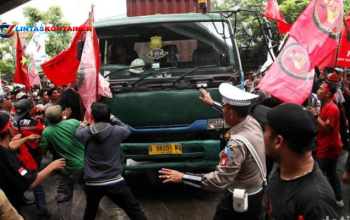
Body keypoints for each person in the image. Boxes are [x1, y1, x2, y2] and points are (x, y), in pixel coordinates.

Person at [159, 83, 266, 220]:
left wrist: (183, 177)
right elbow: (231, 112)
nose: (223, 111)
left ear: (232, 113)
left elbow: (219, 181)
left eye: (225, 107)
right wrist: (212, 103)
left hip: (240, 200)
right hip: (257, 193)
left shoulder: (236, 145)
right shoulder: (251, 122)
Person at [253, 103, 339, 219]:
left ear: (278, 141)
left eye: (266, 131)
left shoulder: (317, 204)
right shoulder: (284, 170)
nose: (262, 136)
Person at [76, 103, 147, 220]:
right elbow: (126, 128)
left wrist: (83, 125)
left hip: (93, 183)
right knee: (134, 210)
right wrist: (113, 118)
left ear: (92, 117)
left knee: (90, 211)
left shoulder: (85, 133)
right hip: (115, 181)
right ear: (108, 116)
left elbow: (78, 132)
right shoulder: (117, 132)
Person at [0, 112, 65, 216]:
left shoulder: (4, 148)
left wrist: (25, 138)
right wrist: (52, 166)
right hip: (9, 208)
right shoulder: (7, 157)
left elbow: (9, 145)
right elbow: (31, 183)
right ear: (9, 130)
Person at [38, 105, 84, 220]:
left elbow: (42, 151)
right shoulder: (73, 122)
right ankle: (95, 208)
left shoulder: (46, 132)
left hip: (68, 169)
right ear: (60, 115)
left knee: (64, 198)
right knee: (90, 188)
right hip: (84, 164)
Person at [308, 81, 344, 207]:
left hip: (327, 148)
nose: (317, 91)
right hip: (325, 146)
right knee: (331, 173)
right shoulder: (326, 106)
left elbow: (328, 128)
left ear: (328, 94)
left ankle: (320, 202)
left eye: (321, 89)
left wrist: (315, 116)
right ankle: (338, 198)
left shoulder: (332, 109)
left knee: (317, 175)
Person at [13, 99, 50, 219]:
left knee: (18, 184)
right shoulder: (35, 124)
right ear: (29, 111)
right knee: (38, 186)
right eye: (32, 107)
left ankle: (20, 201)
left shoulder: (14, 123)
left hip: (18, 157)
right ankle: (42, 213)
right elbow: (46, 130)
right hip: (32, 159)